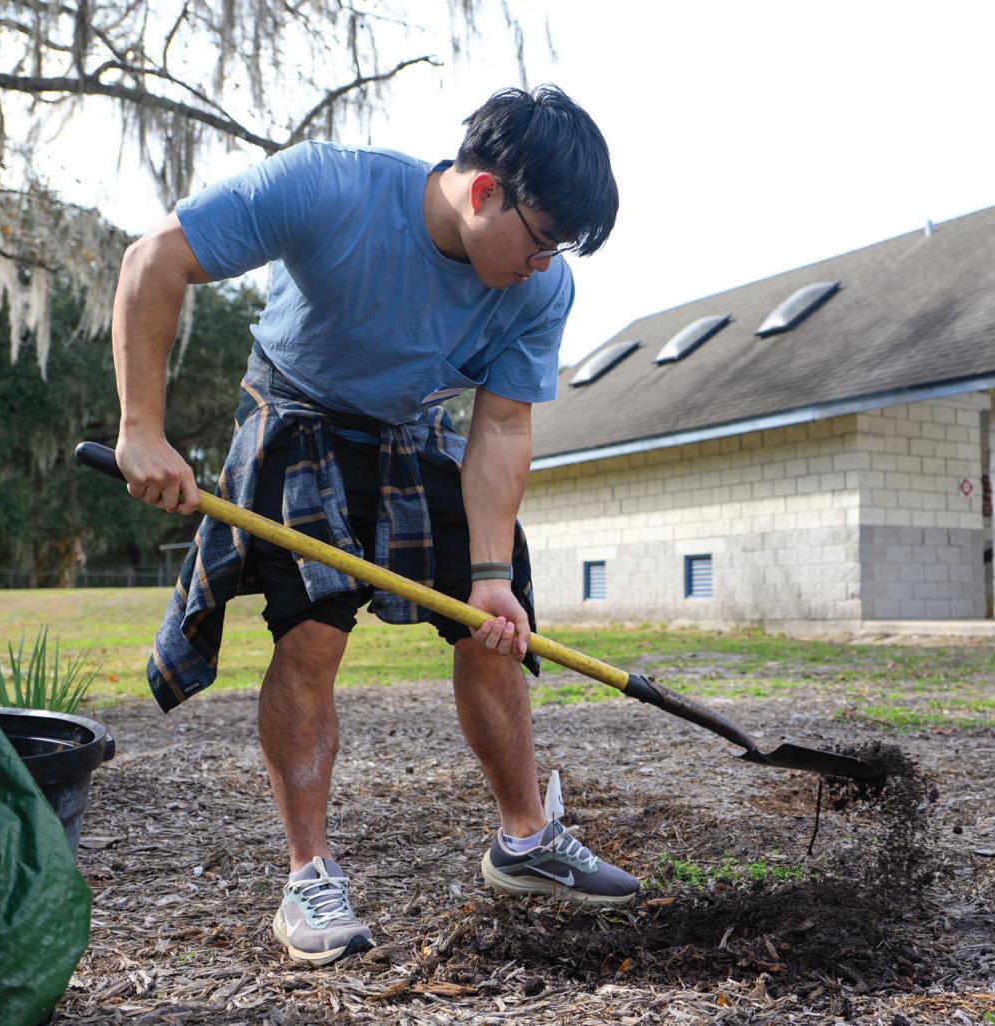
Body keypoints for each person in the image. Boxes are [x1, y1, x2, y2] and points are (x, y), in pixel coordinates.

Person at [109, 85, 638, 967]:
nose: (544, 265)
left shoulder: (540, 290)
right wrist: (141, 429)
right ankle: (309, 876)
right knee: (313, 633)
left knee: (494, 627)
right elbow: (153, 258)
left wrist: (491, 574)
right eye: (541, 240)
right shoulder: (330, 187)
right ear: (484, 193)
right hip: (297, 410)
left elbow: (503, 427)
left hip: (412, 428)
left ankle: (526, 840)